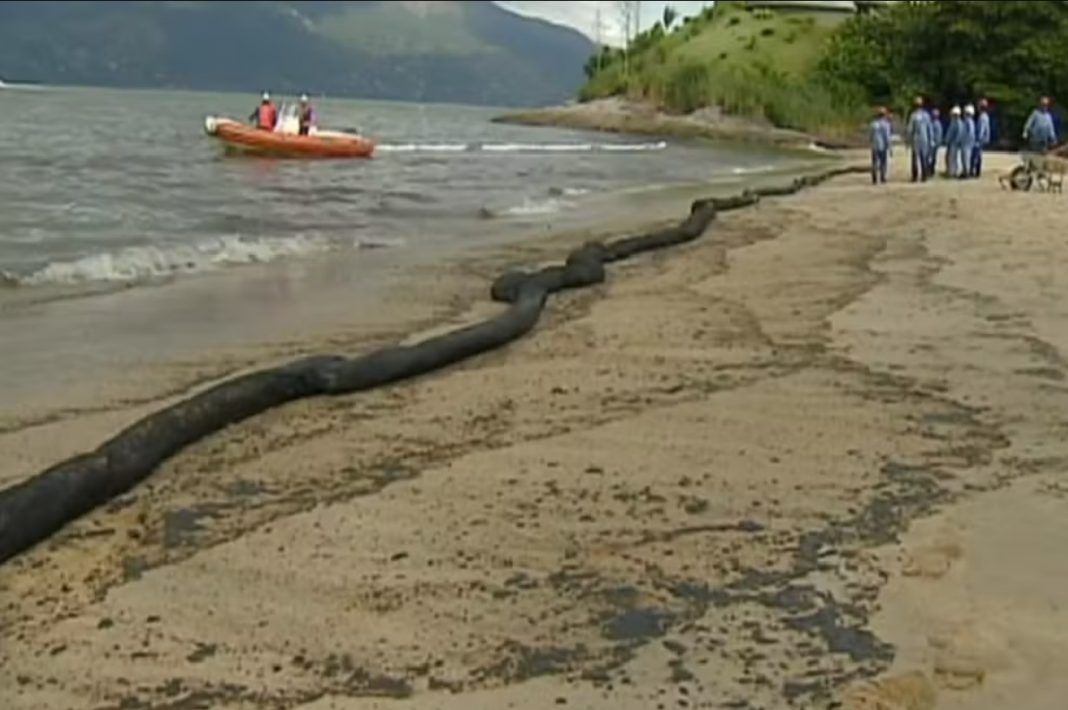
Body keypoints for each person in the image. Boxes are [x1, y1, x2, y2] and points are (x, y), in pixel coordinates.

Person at [905, 96, 932, 183]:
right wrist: (931, 139)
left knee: (915, 158)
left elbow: (910, 129)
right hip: (925, 138)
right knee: (924, 157)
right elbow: (929, 128)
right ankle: (924, 175)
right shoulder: (926, 115)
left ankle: (915, 176)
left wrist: (908, 140)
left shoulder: (913, 116)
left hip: (916, 138)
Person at [869, 106, 892, 185]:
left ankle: (874, 177)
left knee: (874, 162)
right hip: (882, 145)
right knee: (883, 162)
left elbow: (870, 135)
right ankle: (882, 177)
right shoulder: (886, 125)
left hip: (874, 145)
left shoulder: (873, 124)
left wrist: (871, 142)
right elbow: (887, 137)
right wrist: (889, 146)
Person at [944, 106, 963, 177]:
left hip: (954, 143)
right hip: (952, 143)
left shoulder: (957, 123)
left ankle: (952, 172)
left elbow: (956, 133)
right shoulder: (955, 122)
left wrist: (954, 141)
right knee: (951, 157)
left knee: (952, 158)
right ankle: (951, 171)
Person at [961, 104, 977, 180]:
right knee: (965, 158)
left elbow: (970, 133)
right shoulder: (970, 121)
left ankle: (966, 173)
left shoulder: (968, 121)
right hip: (967, 142)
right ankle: (965, 171)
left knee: (966, 158)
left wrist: (967, 141)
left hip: (966, 143)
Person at [927, 108, 943, 178]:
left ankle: (931, 171)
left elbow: (937, 135)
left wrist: (935, 142)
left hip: (933, 143)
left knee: (931, 158)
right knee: (931, 158)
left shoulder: (935, 124)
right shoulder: (936, 123)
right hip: (934, 143)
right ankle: (930, 170)